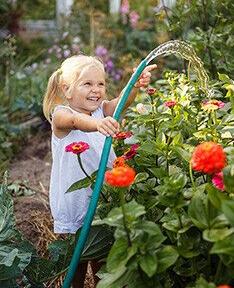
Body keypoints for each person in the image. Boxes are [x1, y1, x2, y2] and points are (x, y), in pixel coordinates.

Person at [43, 55, 157, 287]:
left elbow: (121, 102)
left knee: (100, 254)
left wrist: (134, 84)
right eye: (87, 84)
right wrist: (97, 124)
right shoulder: (61, 114)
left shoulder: (100, 111)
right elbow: (75, 120)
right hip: (74, 199)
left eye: (101, 84)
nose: (96, 90)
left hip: (102, 197)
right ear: (67, 90)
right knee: (76, 257)